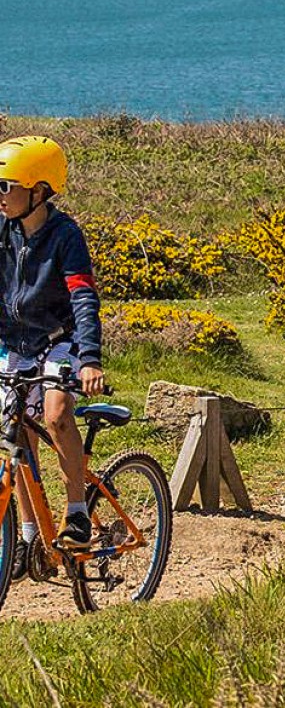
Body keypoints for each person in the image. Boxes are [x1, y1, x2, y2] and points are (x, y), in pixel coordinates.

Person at [0, 136, 105, 581]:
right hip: (14, 342)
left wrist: (89, 359)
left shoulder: (66, 237)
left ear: (39, 190)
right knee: (15, 431)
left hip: (59, 341)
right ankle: (28, 536)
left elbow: (84, 298)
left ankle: (77, 511)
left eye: (6, 186)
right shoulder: (1, 231)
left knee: (58, 414)